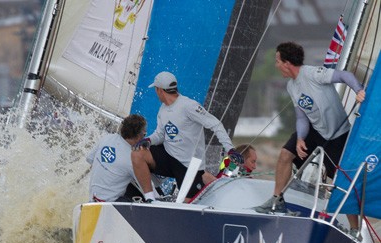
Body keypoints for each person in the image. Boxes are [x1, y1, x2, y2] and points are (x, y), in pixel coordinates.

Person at [254, 42, 366, 222]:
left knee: (341, 181)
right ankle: (277, 200)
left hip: (338, 135)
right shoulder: (291, 86)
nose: (276, 65)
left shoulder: (313, 74)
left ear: (287, 63)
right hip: (314, 130)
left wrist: (359, 90)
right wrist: (300, 138)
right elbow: (301, 118)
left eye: (277, 61)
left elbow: (345, 75)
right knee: (285, 155)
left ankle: (354, 228)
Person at [131, 71, 242, 202]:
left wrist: (230, 149)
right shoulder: (163, 109)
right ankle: (150, 199)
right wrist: (148, 140)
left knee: (187, 204)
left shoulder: (189, 105)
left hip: (189, 166)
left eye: (155, 90)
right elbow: (160, 134)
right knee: (137, 154)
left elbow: (216, 124)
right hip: (169, 157)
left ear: (160, 90)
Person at [86, 114, 147, 202]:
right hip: (109, 206)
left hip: (92, 200)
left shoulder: (107, 138)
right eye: (144, 134)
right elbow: (148, 189)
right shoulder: (133, 159)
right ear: (138, 137)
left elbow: (90, 160)